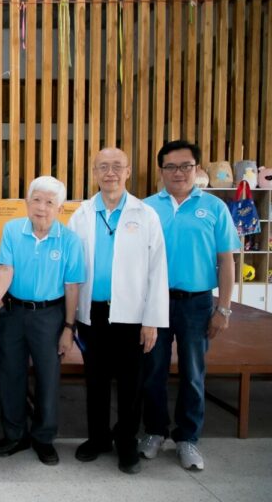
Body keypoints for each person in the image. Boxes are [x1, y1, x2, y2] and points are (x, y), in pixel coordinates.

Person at [67, 148, 168, 474]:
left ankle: (126, 442)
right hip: (92, 314)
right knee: (95, 380)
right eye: (103, 167)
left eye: (117, 167)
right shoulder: (81, 214)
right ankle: (98, 438)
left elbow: (158, 270)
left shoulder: (146, 214)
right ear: (94, 172)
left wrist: (152, 320)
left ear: (128, 171)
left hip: (132, 316)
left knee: (131, 384)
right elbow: (71, 266)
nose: (110, 173)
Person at [141, 140, 240, 471]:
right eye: (170, 167)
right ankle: (154, 431)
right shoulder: (146, 208)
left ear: (197, 169)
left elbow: (226, 261)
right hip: (154, 302)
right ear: (161, 171)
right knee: (152, 370)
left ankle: (188, 439)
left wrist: (223, 309)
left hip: (196, 303)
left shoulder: (214, 207)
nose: (178, 172)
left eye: (186, 166)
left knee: (193, 373)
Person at [0, 175, 85, 466]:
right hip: (13, 313)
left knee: (47, 378)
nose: (41, 207)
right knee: (10, 375)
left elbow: (72, 287)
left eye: (49, 202)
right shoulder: (13, 230)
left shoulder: (70, 240)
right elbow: (6, 270)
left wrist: (69, 328)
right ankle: (15, 435)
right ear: (27, 203)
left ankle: (43, 438)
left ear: (60, 208)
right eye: (36, 200)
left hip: (50, 316)